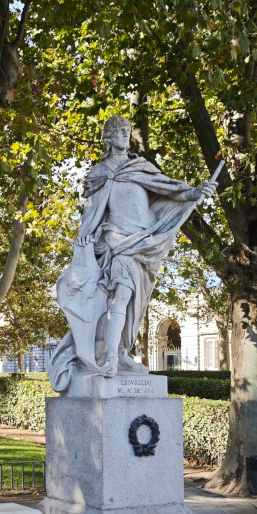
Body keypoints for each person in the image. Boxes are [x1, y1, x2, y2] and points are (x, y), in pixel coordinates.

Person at [49, 115, 216, 392]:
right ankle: (111, 359)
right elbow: (92, 214)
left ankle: (121, 352)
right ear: (108, 137)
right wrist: (86, 242)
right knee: (121, 295)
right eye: (119, 131)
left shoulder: (141, 167)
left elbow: (169, 188)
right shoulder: (100, 173)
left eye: (127, 130)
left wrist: (195, 192)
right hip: (119, 242)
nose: (125, 135)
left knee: (135, 305)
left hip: (147, 243)